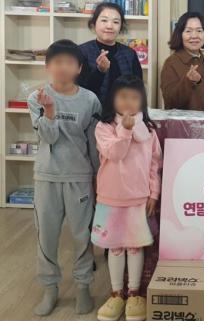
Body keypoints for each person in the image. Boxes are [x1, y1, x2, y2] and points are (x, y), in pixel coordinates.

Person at [27, 39, 101, 317]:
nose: (63, 67)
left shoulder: (90, 99)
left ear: (79, 68)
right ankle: (50, 289)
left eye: (70, 62)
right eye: (57, 62)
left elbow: (93, 143)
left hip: (79, 176)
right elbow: (47, 137)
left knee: (82, 236)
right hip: (47, 177)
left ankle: (83, 287)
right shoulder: (36, 97)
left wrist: (97, 176)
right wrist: (49, 112)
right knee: (46, 236)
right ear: (48, 66)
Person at [92, 75, 162, 321]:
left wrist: (154, 193)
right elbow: (115, 153)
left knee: (135, 246)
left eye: (134, 97)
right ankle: (116, 294)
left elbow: (154, 164)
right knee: (115, 247)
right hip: (110, 197)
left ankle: (134, 294)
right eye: (123, 96)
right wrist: (126, 130)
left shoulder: (150, 130)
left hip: (138, 198)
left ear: (142, 101)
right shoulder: (104, 127)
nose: (128, 102)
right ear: (112, 98)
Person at [160, 12, 204, 110]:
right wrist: (188, 81)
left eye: (199, 31)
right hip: (184, 120)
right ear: (180, 34)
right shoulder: (171, 63)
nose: (194, 36)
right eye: (188, 31)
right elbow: (170, 102)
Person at [78, 2, 143, 103]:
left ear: (121, 26)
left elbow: (138, 89)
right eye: (104, 20)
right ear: (94, 23)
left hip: (124, 110)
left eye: (116, 22)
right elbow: (79, 92)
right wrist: (100, 71)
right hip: (91, 111)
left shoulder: (130, 54)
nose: (109, 26)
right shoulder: (81, 52)